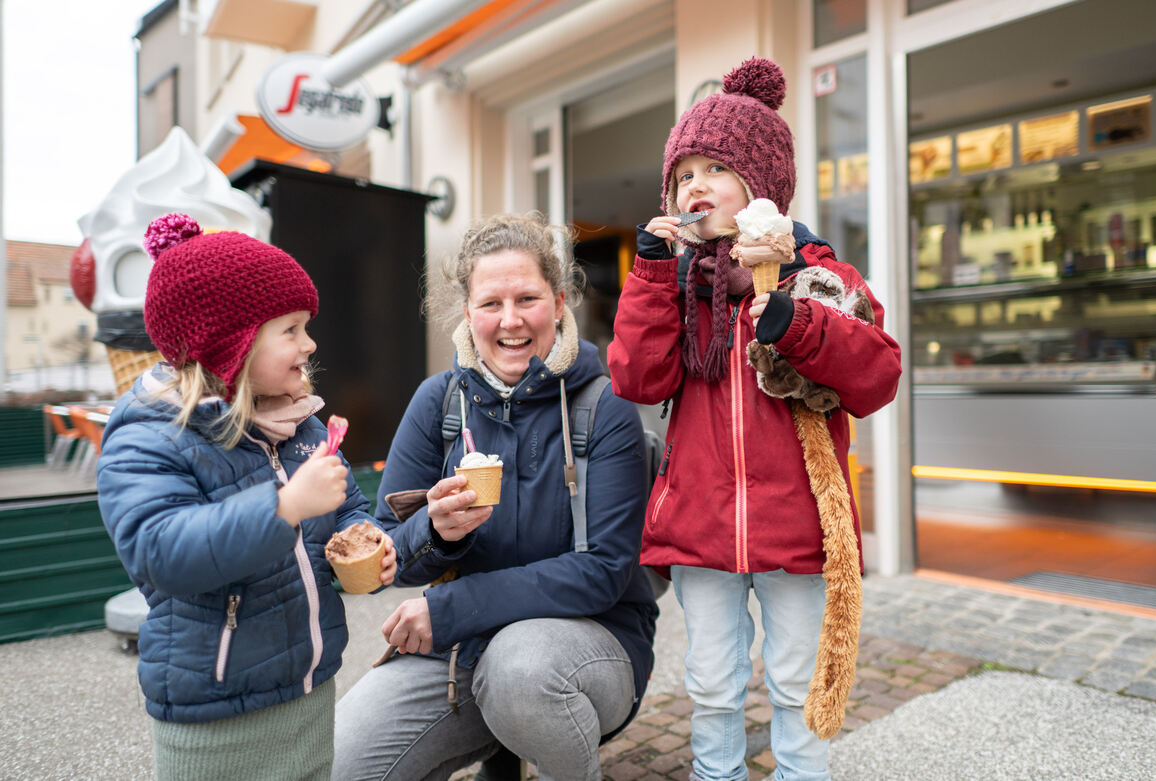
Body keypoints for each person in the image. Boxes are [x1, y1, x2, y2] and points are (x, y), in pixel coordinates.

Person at [607, 57, 902, 781]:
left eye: (716, 167)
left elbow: (878, 375)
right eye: (684, 174)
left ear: (762, 183)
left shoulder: (820, 276)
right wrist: (650, 274)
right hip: (701, 523)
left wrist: (795, 321)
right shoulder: (677, 285)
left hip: (796, 525)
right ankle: (717, 773)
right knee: (711, 680)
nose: (695, 185)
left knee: (798, 680)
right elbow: (637, 378)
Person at [333, 213, 659, 781]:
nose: (510, 320)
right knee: (344, 766)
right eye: (490, 303)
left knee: (519, 674)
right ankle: (500, 749)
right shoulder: (438, 403)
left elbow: (604, 572)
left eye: (527, 298)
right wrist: (436, 533)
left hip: (588, 643)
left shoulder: (604, 406)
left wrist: (450, 607)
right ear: (468, 312)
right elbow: (389, 551)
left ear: (559, 302)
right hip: (465, 646)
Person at [97, 212, 396, 780]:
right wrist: (284, 507)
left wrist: (365, 539)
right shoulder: (151, 435)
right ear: (229, 343)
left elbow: (345, 508)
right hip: (216, 713)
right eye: (291, 330)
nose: (309, 344)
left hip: (307, 688)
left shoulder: (299, 422)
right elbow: (160, 552)